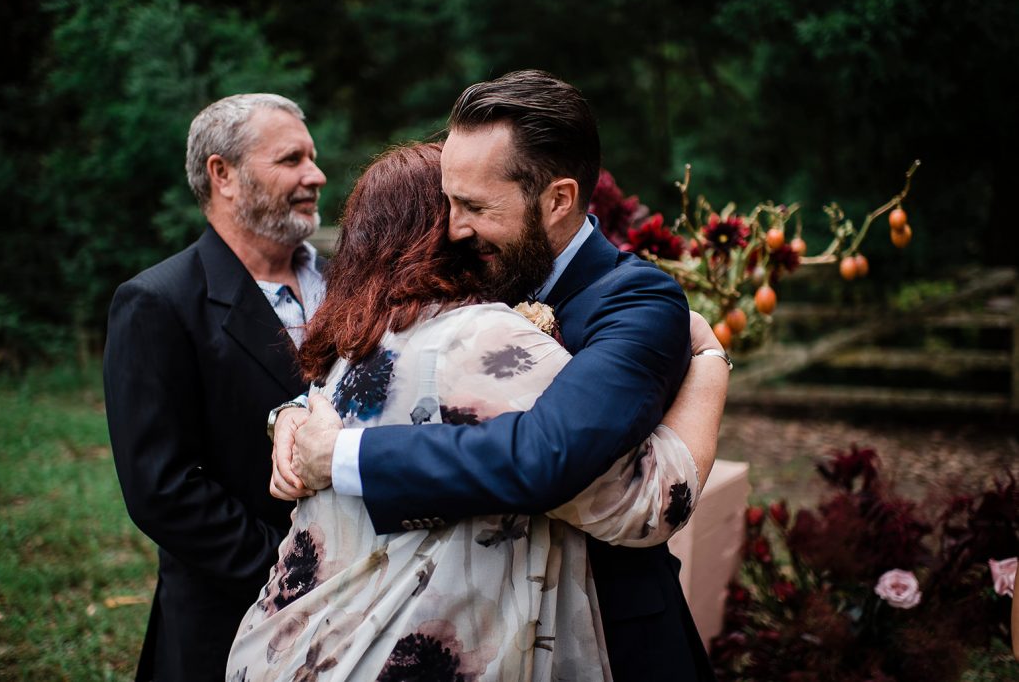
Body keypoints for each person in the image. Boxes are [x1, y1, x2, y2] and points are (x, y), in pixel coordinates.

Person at [272, 70, 727, 680]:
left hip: (609, 637)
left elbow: (549, 454)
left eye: (474, 206)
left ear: (558, 199)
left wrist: (346, 455)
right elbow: (396, 362)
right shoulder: (478, 267)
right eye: (449, 200)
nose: (453, 227)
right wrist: (294, 411)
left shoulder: (636, 303)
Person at [103, 93, 328, 682]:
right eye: (291, 160)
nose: (316, 175)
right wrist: (291, 568)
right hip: (232, 613)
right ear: (222, 175)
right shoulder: (157, 303)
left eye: (313, 157)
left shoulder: (346, 280)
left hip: (362, 602)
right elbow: (162, 488)